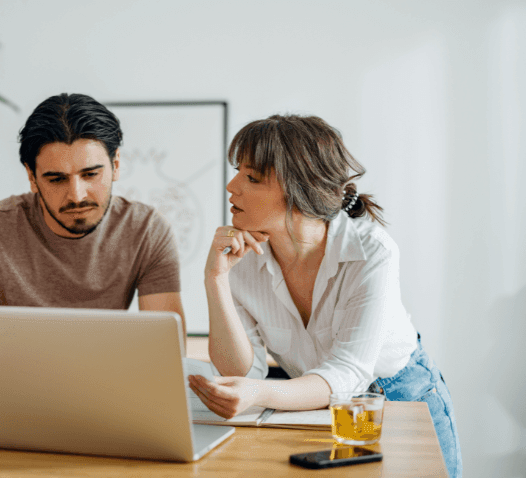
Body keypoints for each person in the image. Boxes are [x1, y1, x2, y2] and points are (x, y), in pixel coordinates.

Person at [187, 115, 462, 477]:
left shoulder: (371, 251)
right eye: (238, 172)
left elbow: (348, 371)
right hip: (317, 404)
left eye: (251, 178)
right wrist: (215, 278)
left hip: (398, 398)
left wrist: (259, 393)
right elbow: (240, 370)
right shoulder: (242, 258)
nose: (231, 185)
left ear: (300, 189)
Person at [0, 93, 185, 401]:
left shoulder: (147, 231)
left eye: (91, 174)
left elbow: (167, 360)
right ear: (31, 177)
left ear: (116, 165)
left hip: (99, 401)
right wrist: (41, 395)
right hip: (13, 403)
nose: (77, 195)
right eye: (56, 179)